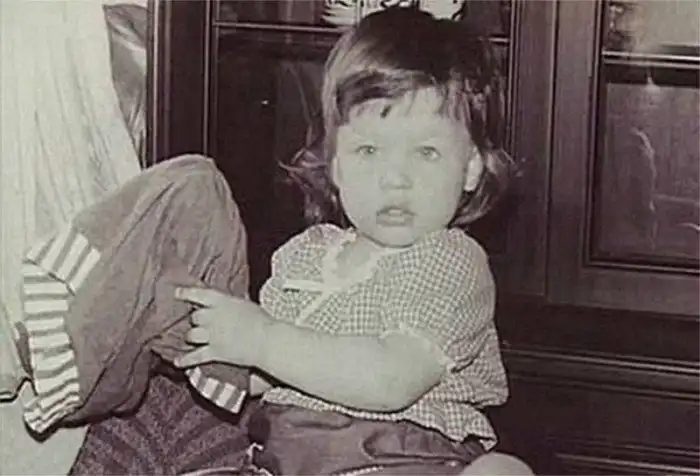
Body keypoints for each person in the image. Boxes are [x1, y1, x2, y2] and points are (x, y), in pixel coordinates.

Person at [173, 7, 531, 475]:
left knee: (502, 471)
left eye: (426, 152)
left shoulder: (451, 262)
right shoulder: (303, 257)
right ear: (336, 166)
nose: (395, 178)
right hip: (288, 463)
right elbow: (266, 376)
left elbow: (391, 380)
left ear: (470, 169)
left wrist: (261, 340)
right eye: (369, 150)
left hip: (407, 462)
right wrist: (216, 343)